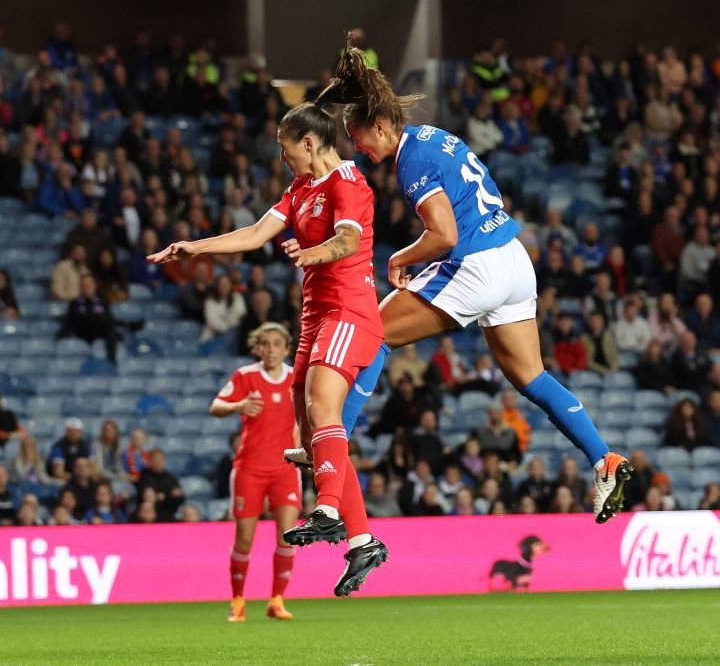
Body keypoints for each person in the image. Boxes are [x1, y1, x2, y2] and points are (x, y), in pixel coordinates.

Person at [324, 35, 631, 525]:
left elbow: (443, 234)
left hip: (476, 264)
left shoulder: (412, 160)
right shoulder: (438, 138)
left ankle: (331, 452)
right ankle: (604, 460)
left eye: (358, 137)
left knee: (374, 334)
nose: (357, 148)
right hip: (513, 257)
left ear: (379, 126)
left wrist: (401, 256)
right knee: (531, 376)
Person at [149, 98, 388, 596]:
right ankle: (362, 540)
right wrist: (197, 245)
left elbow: (346, 240)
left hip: (348, 308)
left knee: (324, 408)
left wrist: (315, 252)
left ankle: (326, 512)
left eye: (285, 148)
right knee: (314, 431)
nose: (282, 158)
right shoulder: (300, 188)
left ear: (308, 142)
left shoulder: (348, 182)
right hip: (315, 315)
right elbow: (257, 234)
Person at [209, 323, 300, 622]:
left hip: (285, 469)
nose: (270, 349)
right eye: (265, 344)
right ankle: (237, 600)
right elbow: (216, 406)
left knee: (288, 536)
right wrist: (239, 405)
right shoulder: (245, 376)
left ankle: (277, 599)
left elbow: (306, 416)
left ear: (286, 348)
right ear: (257, 348)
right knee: (244, 539)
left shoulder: (296, 377)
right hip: (249, 469)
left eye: (276, 344)